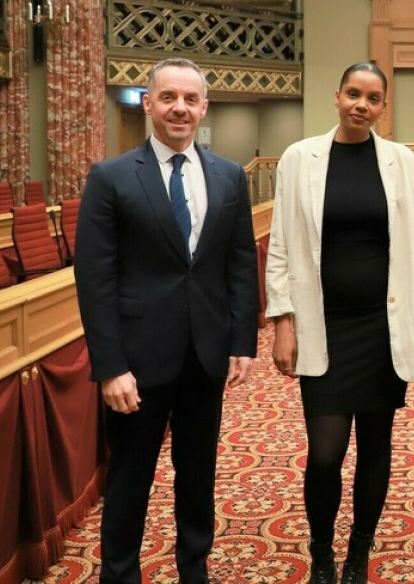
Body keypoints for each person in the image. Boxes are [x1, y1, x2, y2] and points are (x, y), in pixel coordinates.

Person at [75, 57, 259, 584]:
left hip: (205, 356)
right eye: (168, 97)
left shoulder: (227, 175)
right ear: (149, 103)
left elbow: (240, 262)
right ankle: (120, 573)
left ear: (205, 107)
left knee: (197, 476)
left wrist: (241, 340)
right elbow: (95, 279)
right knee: (130, 478)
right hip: (136, 363)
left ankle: (194, 568)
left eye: (190, 99)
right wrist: (110, 367)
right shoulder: (111, 178)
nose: (180, 108)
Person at [265, 62, 414, 584]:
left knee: (376, 444)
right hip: (324, 324)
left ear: (384, 107)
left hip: (382, 325)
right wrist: (283, 321)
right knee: (325, 453)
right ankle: (321, 551)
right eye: (352, 94)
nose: (361, 105)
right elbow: (280, 247)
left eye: (372, 98)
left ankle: (358, 553)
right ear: (336, 96)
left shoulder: (401, 162)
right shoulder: (300, 159)